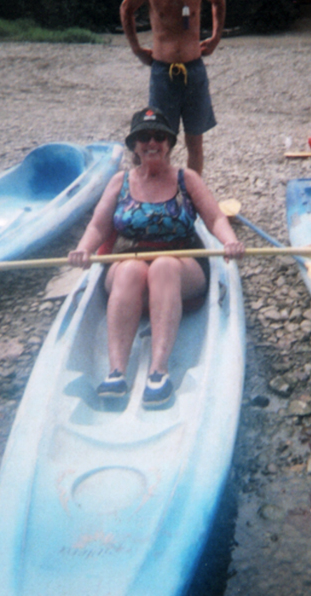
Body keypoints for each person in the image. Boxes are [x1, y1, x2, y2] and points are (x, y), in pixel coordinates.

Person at [68, 107, 244, 408]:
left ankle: (158, 372)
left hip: (181, 260)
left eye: (160, 136)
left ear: (170, 143)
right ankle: (116, 372)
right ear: (134, 146)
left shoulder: (186, 178)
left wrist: (230, 241)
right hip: (129, 256)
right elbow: (98, 225)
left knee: (163, 267)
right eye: (145, 137)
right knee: (129, 271)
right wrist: (84, 248)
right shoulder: (119, 181)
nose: (153, 142)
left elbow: (214, 219)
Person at [120, 0, 226, 175]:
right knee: (156, 140)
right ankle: (153, 192)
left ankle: (192, 196)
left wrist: (215, 38)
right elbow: (126, 8)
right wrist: (136, 48)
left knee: (195, 142)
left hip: (194, 72)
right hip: (162, 74)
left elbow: (218, 1)